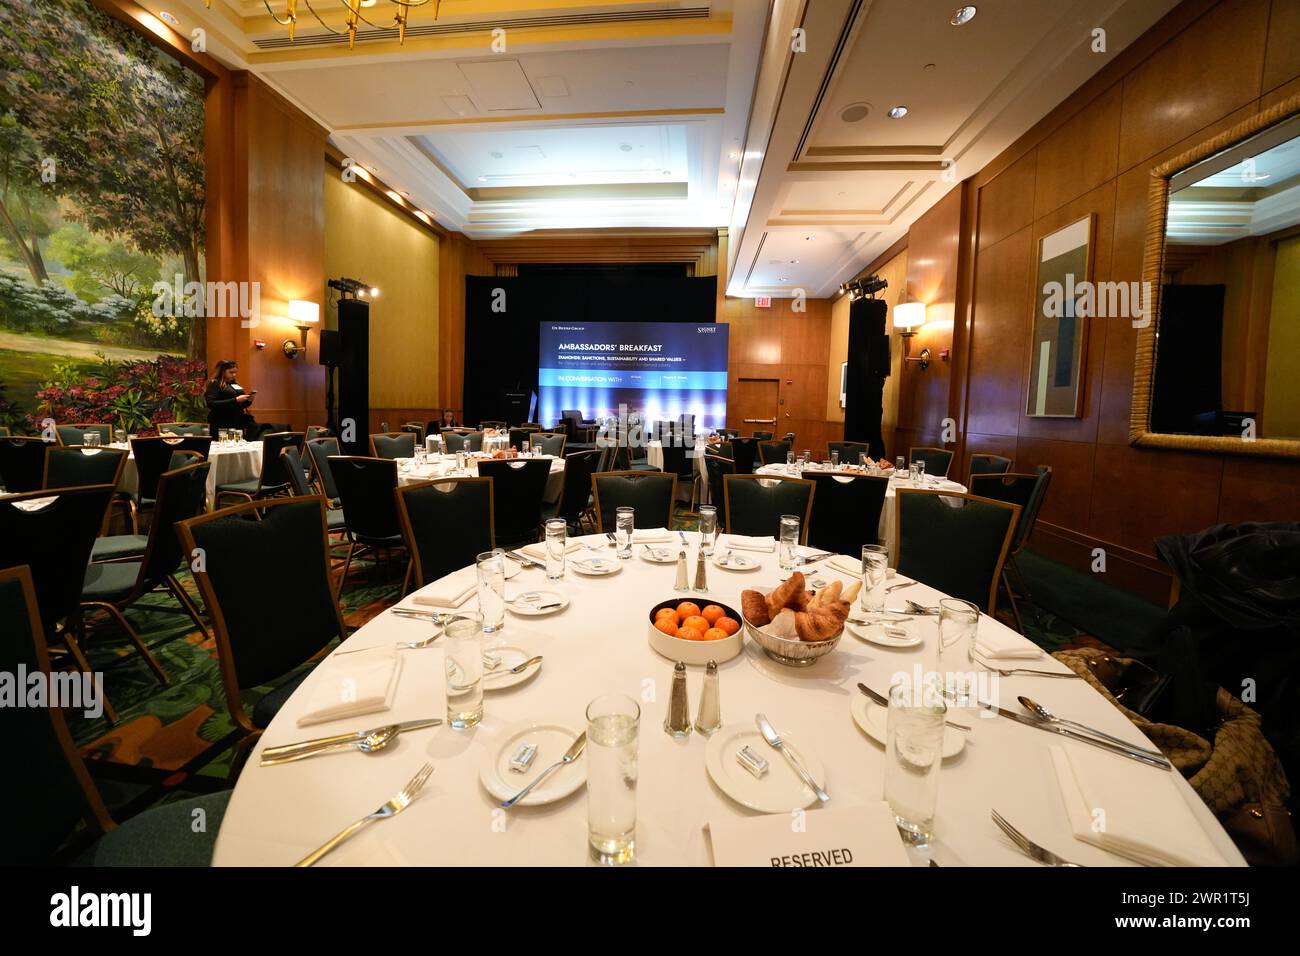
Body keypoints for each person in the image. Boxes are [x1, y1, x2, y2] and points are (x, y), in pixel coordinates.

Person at [204, 360, 257, 437]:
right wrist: (235, 400)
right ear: (222, 371)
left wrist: (248, 400)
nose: (234, 375)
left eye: (235, 372)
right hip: (221, 421)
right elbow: (210, 403)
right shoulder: (215, 383)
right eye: (231, 372)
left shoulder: (235, 384)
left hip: (237, 421)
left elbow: (239, 405)